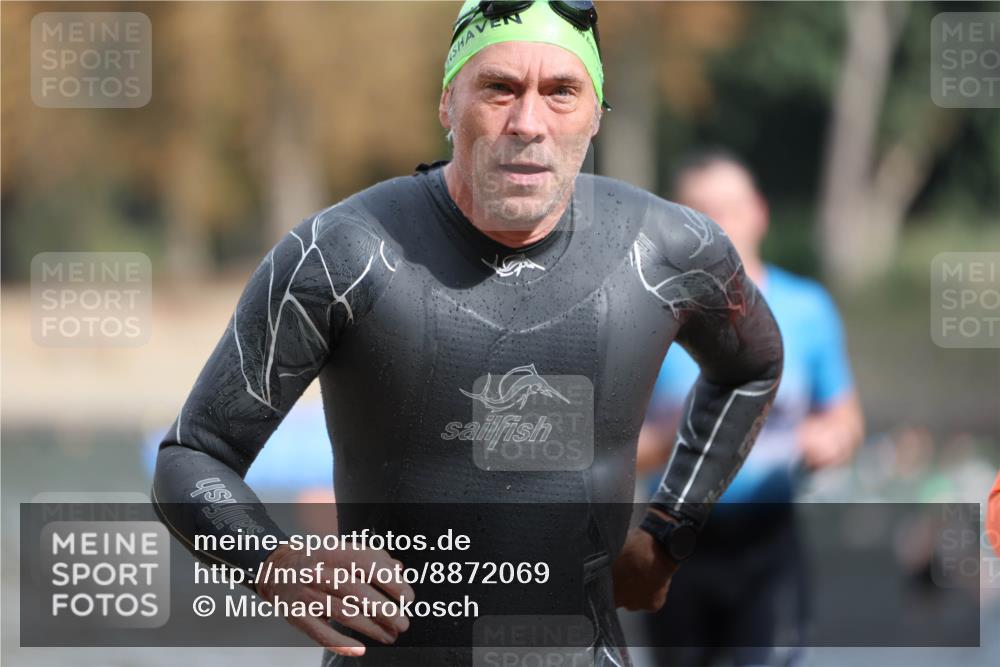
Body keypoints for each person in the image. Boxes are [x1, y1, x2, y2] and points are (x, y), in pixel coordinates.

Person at [151, 4, 783, 666]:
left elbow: (753, 366)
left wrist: (669, 529)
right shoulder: (342, 255)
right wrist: (278, 563)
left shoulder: (669, 251)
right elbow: (192, 455)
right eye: (499, 88)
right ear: (448, 102)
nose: (528, 123)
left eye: (562, 92)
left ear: (596, 113)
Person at [637, 149, 864, 666]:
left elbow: (846, 419)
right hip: (676, 545)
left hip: (770, 543)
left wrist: (831, 441)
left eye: (730, 210)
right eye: (701, 213)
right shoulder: (647, 321)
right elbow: (611, 455)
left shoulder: (808, 309)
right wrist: (684, 436)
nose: (718, 228)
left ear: (759, 211)